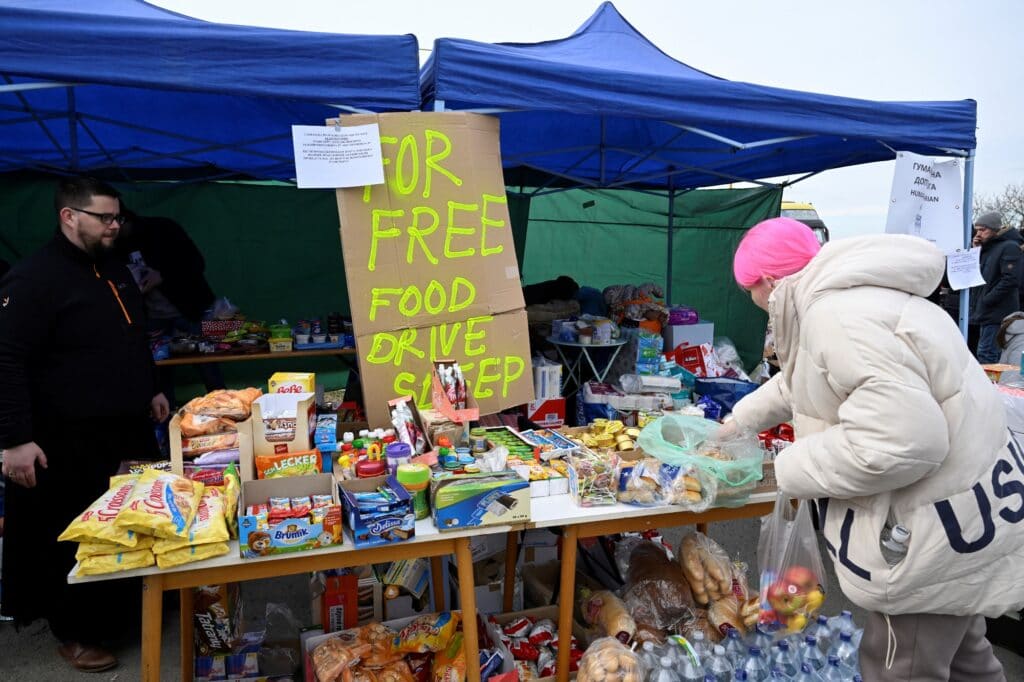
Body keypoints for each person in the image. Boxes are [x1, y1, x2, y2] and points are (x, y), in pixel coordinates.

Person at [720, 217, 1023, 681]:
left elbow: (902, 440)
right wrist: (737, 422)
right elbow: (804, 381)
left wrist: (790, 466)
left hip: (932, 529)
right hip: (969, 515)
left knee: (900, 663)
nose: (755, 302)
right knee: (966, 656)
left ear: (765, 282)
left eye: (749, 291)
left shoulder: (835, 316)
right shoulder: (854, 299)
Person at [0, 177, 169, 672]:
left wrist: (152, 386)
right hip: (63, 437)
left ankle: (119, 616)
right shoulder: (33, 279)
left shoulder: (113, 270)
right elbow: (6, 360)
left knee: (127, 522)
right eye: (104, 218)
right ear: (69, 217)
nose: (115, 225)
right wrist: (13, 440)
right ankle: (74, 632)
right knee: (70, 534)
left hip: (124, 426)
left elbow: (135, 336)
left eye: (117, 217)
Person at [116, 207, 224, 407]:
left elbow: (195, 262)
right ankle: (166, 427)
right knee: (159, 370)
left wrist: (162, 276)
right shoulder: (112, 244)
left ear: (124, 219)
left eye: (114, 222)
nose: (111, 229)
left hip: (191, 310)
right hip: (151, 316)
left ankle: (227, 412)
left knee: (207, 364)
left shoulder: (162, 229)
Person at [971, 211, 1022, 364]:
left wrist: (988, 299)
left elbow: (1011, 279)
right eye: (977, 230)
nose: (978, 233)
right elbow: (974, 274)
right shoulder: (987, 248)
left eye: (982, 229)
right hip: (987, 311)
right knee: (985, 352)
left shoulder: (1009, 247)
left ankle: (991, 388)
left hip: (998, 312)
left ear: (994, 229)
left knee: (987, 354)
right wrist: (975, 250)